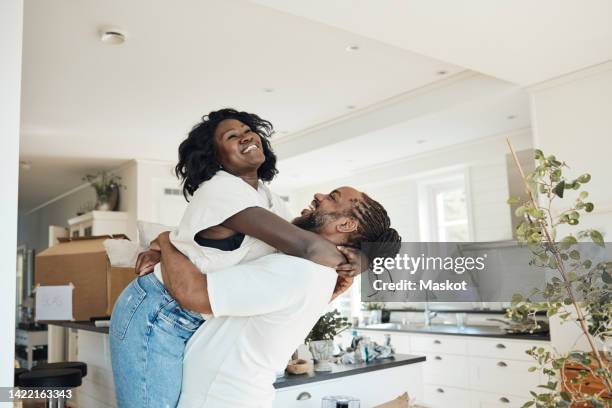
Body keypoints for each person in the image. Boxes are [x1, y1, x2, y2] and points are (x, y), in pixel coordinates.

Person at [110, 109, 365, 408]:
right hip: (158, 312)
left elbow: (304, 245)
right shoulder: (221, 190)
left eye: (248, 130)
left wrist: (360, 256)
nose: (246, 136)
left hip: (189, 316)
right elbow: (309, 248)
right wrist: (360, 259)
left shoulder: (265, 195)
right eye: (231, 136)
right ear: (215, 157)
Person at [150, 186, 402, 408]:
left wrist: (166, 240)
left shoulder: (298, 270)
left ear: (346, 225)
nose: (319, 195)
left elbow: (191, 294)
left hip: (220, 399)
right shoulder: (317, 272)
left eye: (332, 197)